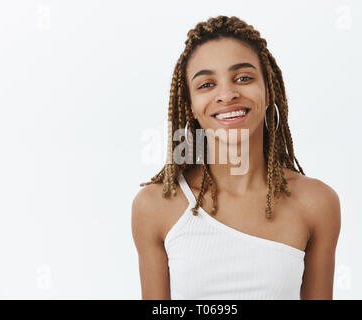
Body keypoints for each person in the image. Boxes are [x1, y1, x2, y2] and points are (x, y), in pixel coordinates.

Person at [131, 15, 341, 300]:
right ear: (191, 105)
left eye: (243, 78)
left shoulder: (316, 202)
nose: (227, 95)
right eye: (206, 84)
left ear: (268, 90)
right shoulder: (156, 206)